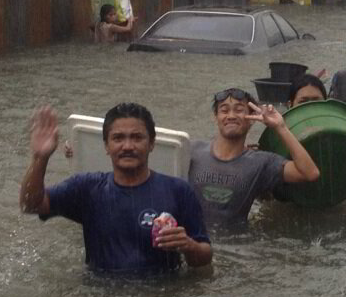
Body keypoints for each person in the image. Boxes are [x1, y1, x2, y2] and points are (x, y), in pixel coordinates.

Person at [19, 103, 212, 273]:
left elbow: (204, 259)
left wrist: (189, 246)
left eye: (137, 137)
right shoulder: (87, 188)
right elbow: (31, 205)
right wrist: (40, 158)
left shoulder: (178, 190)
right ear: (106, 145)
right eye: (118, 138)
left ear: (152, 143)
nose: (127, 146)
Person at [188, 88, 320, 226]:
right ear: (215, 117)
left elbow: (310, 173)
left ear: (251, 119)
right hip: (191, 241)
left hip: (233, 244)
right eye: (224, 110)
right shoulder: (191, 150)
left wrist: (280, 127)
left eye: (239, 110)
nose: (231, 116)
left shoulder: (260, 163)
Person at [287, 74, 346, 198]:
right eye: (303, 102)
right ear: (290, 105)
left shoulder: (342, 136)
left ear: (326, 103)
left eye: (316, 101)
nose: (310, 107)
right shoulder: (280, 133)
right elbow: (270, 196)